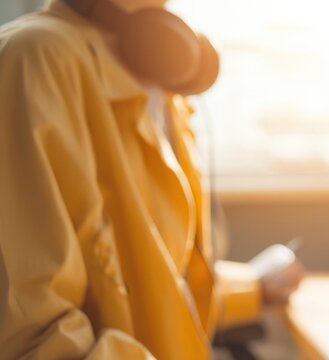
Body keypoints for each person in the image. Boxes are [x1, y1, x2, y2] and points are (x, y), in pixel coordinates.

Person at [0, 0, 304, 358]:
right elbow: (40, 339)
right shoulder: (35, 62)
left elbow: (156, 284)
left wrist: (251, 288)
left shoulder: (161, 79)